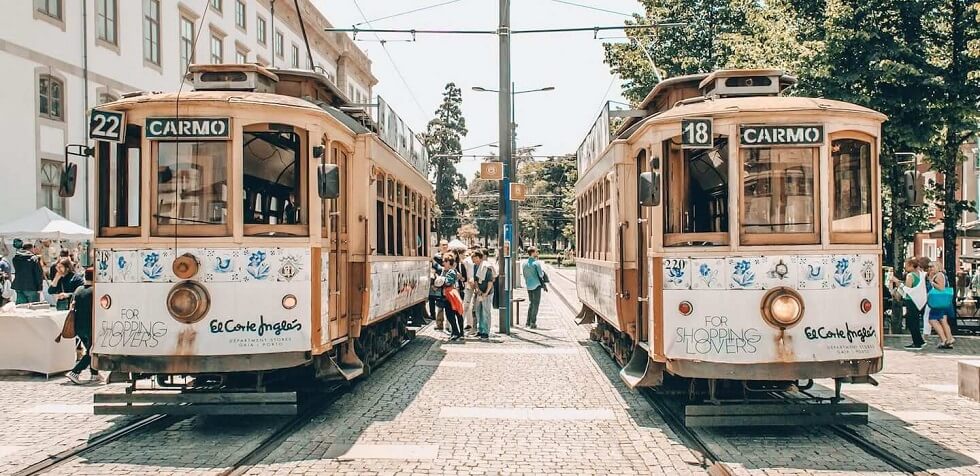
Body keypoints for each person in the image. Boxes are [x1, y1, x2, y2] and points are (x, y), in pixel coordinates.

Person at [66, 268, 99, 384]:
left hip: (79, 326)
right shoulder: (95, 291)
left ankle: (95, 374)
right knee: (93, 351)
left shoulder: (78, 290)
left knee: (90, 350)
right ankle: (75, 372)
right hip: (91, 326)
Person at [889, 257, 927, 350]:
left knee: (911, 322)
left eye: (906, 265)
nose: (905, 267)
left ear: (910, 265)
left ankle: (916, 342)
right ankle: (919, 340)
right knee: (916, 321)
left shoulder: (910, 275)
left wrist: (897, 282)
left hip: (911, 301)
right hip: (919, 301)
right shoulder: (920, 274)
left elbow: (908, 289)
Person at [925, 260, 956, 349]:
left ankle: (944, 339)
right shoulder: (942, 275)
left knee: (932, 320)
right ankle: (949, 339)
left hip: (938, 302)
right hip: (943, 302)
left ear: (937, 267)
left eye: (932, 266)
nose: (930, 268)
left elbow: (941, 288)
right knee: (943, 320)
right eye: (929, 267)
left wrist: (932, 282)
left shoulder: (938, 275)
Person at [471, 250, 495, 339]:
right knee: (478, 311)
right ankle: (480, 330)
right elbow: (475, 279)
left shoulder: (486, 267)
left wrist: (486, 293)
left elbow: (490, 281)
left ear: (480, 258)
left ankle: (486, 331)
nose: (475, 261)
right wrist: (478, 290)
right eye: (473, 259)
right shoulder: (475, 266)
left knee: (486, 312)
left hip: (487, 293)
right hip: (479, 292)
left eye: (476, 258)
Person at [440, 254, 465, 341]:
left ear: (448, 262)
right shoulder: (445, 270)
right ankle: (456, 332)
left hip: (451, 294)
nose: (443, 263)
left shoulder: (451, 271)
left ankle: (458, 333)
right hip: (448, 294)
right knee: (452, 314)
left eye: (444, 261)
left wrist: (440, 281)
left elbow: (448, 282)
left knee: (455, 314)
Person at [522, 246, 546, 329]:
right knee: (535, 304)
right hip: (536, 285)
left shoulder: (524, 263)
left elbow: (524, 275)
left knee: (531, 303)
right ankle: (533, 322)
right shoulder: (536, 263)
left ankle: (527, 322)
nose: (537, 253)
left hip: (528, 285)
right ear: (533, 253)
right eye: (536, 251)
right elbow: (541, 275)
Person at [428, 255, 446, 330]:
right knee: (439, 306)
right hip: (439, 289)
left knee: (439, 306)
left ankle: (438, 322)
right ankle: (439, 322)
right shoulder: (440, 268)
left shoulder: (438, 268)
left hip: (439, 289)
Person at [461, 249, 477, 334]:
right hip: (469, 284)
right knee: (466, 305)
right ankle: (465, 324)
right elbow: (465, 272)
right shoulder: (467, 261)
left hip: (473, 283)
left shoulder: (469, 261)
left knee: (470, 306)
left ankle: (470, 324)